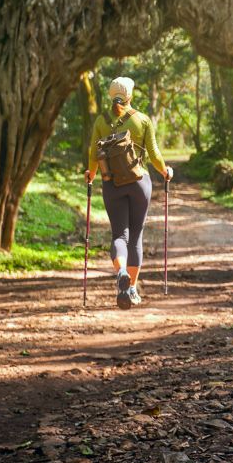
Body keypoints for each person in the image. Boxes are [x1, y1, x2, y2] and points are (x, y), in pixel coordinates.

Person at [85, 77, 173, 310]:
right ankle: (131, 288)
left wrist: (91, 174)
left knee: (119, 235)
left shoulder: (101, 121)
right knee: (136, 236)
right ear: (130, 96)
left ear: (110, 95)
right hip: (139, 183)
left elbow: (93, 153)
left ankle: (121, 272)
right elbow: (153, 153)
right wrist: (165, 171)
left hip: (112, 184)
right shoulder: (141, 120)